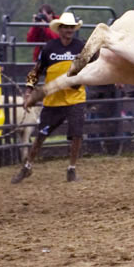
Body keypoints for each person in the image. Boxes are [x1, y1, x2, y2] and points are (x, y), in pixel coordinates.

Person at [11, 12, 86, 184]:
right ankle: (28, 166)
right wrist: (29, 90)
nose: (68, 30)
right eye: (65, 27)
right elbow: (36, 70)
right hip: (53, 99)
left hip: (76, 97)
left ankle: (72, 168)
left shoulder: (80, 47)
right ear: (60, 29)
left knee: (77, 134)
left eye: (71, 27)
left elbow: (93, 65)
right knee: (41, 135)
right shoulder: (49, 48)